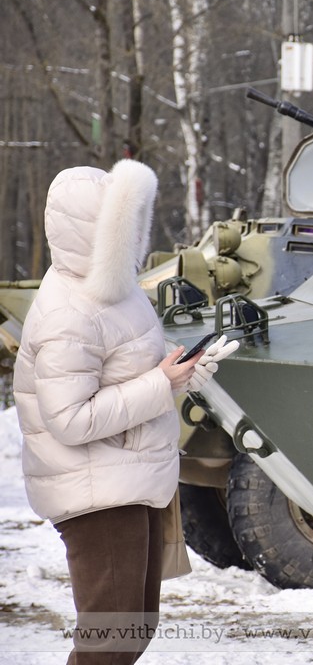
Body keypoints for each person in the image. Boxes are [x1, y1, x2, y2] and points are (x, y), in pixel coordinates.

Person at [12, 160, 237, 663]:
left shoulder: (117, 292)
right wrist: (161, 383)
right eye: (123, 221)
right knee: (110, 644)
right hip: (97, 493)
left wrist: (183, 372)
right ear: (97, 227)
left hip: (128, 481)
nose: (134, 232)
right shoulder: (69, 312)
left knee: (132, 632)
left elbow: (129, 367)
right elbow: (69, 419)